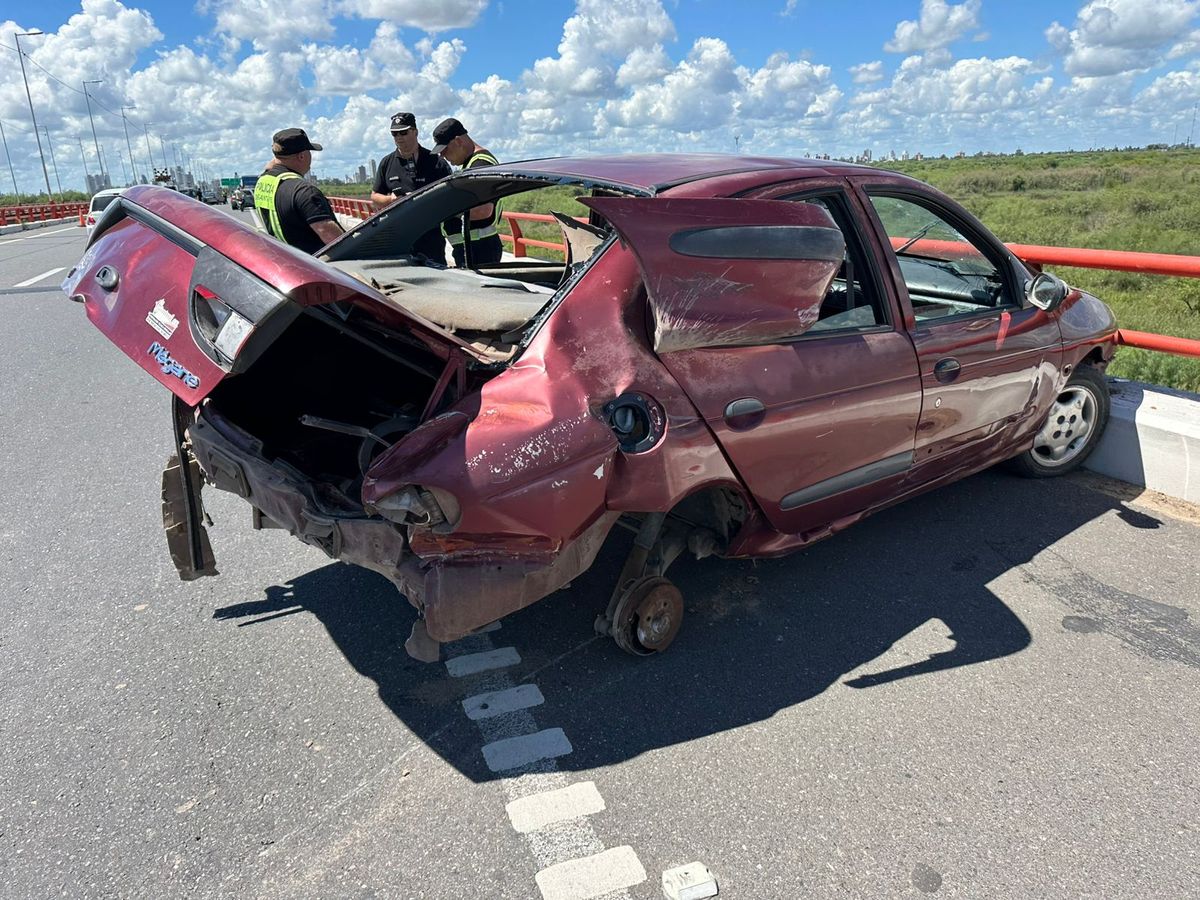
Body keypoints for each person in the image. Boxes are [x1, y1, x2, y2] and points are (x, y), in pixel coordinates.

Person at [370, 112, 452, 264]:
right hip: (399, 243)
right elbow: (375, 197)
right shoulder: (387, 163)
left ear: (415, 132)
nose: (399, 138)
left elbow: (450, 198)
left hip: (431, 240)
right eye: (394, 134)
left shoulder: (435, 161)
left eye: (403, 132)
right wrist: (391, 200)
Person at [253, 128, 343, 255]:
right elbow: (333, 238)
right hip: (316, 264)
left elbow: (270, 165)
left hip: (287, 258)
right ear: (302, 156)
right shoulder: (305, 192)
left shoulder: (264, 181)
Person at [430, 118, 503, 268]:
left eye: (445, 150)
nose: (442, 156)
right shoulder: (471, 165)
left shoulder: (480, 166)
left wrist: (441, 209)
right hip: (473, 248)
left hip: (479, 250)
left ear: (458, 141)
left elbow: (482, 210)